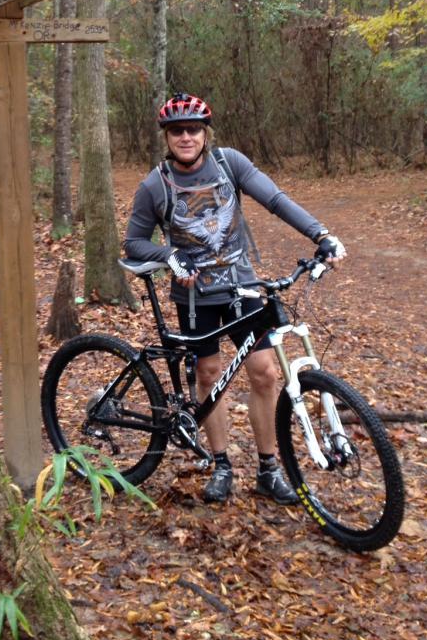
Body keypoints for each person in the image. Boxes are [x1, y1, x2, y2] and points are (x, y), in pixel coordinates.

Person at [123, 92, 346, 504]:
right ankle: (221, 464)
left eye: (193, 129)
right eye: (177, 130)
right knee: (209, 375)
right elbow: (134, 241)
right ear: (166, 137)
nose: (186, 137)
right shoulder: (155, 184)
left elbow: (275, 200)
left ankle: (268, 468)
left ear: (205, 133)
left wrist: (320, 234)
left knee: (265, 373)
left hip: (241, 287)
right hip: (195, 298)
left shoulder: (229, 164)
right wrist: (169, 255)